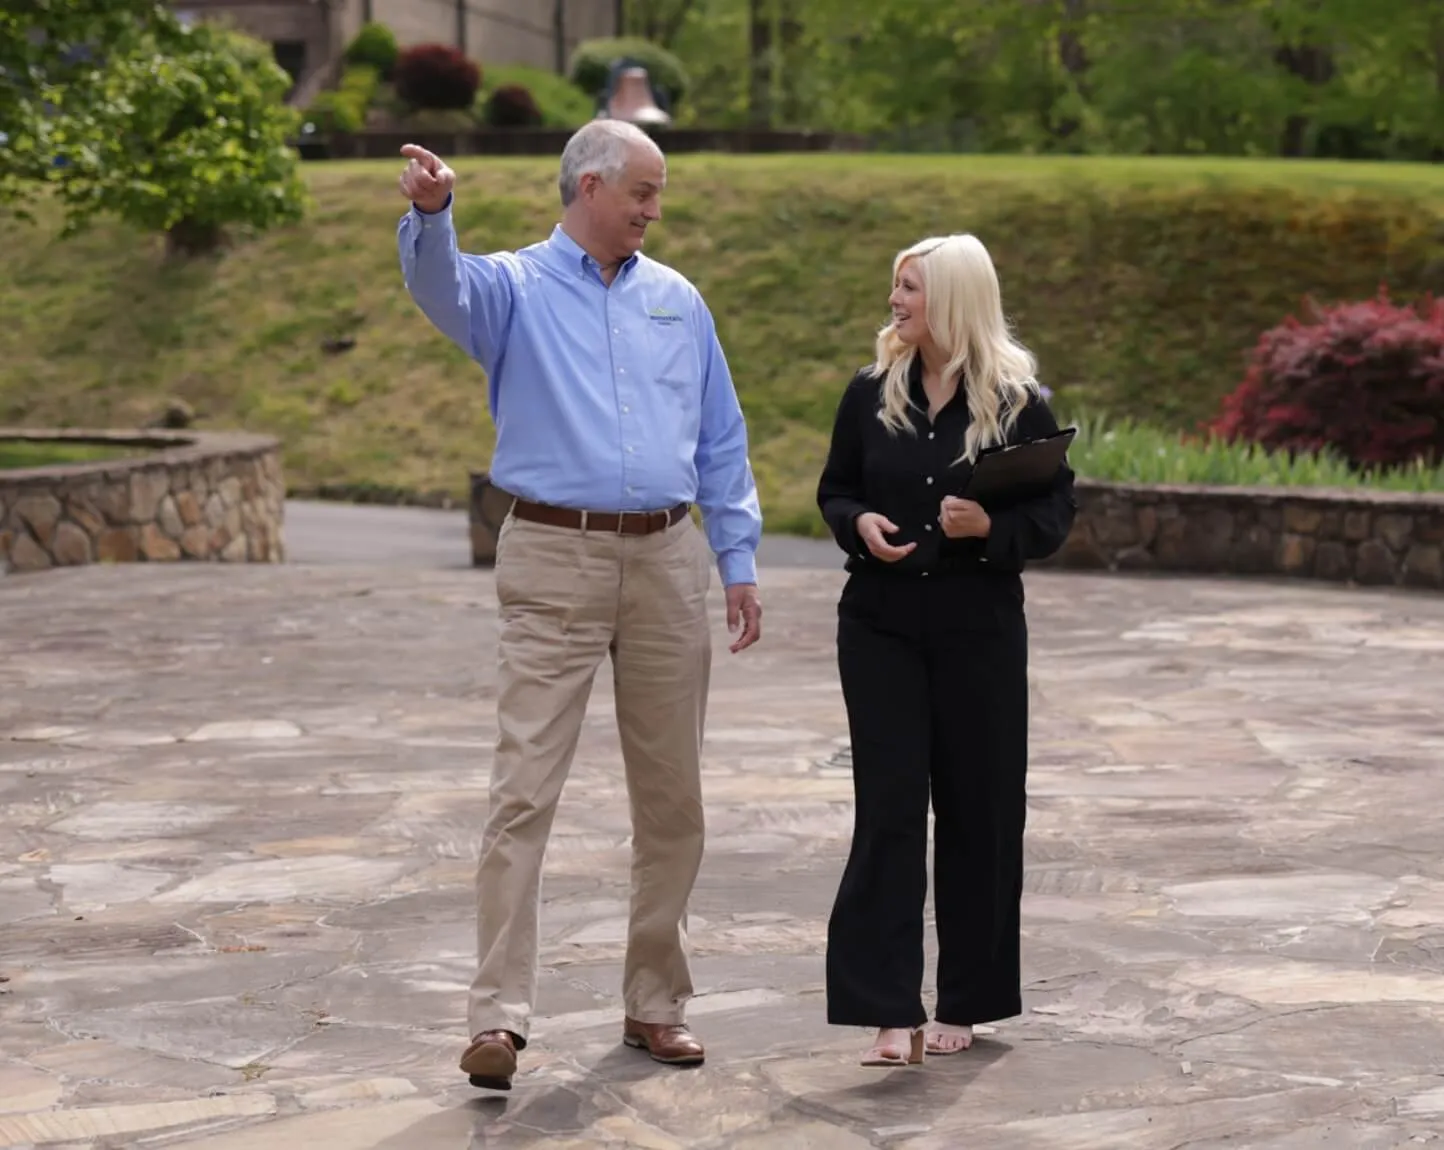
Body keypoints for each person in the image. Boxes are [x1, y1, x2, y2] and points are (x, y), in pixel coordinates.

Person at [396, 120, 764, 1091]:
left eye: (659, 195)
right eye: (642, 191)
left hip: (668, 560)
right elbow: (440, 286)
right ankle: (496, 1019)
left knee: (673, 800)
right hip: (553, 554)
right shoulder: (512, 289)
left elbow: (720, 437)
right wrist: (434, 216)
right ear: (589, 185)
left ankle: (656, 1002)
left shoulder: (679, 303)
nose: (653, 209)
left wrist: (736, 555)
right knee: (523, 792)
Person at [815, 234, 1075, 1067]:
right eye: (895, 286)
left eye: (911, 288)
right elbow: (836, 488)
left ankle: (968, 997)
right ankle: (890, 1009)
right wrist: (856, 522)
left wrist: (990, 528)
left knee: (981, 810)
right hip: (881, 624)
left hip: (980, 629)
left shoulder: (1019, 400)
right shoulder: (869, 393)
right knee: (889, 811)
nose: (895, 301)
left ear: (954, 299)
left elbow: (1054, 517)